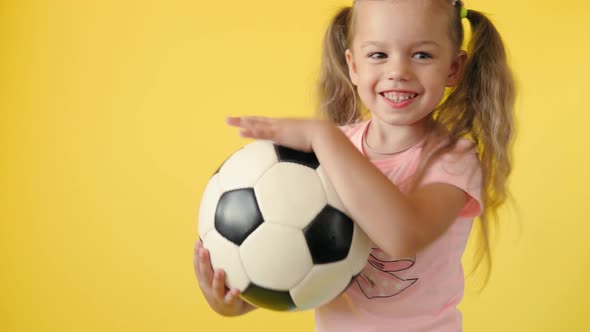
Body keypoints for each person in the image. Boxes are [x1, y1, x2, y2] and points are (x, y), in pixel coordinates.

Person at [194, 0, 515, 330]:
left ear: (453, 67)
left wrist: (322, 137)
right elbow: (299, 267)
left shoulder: (452, 160)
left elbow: (403, 235)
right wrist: (237, 302)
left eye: (422, 55)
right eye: (378, 54)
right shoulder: (326, 156)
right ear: (353, 66)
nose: (398, 71)